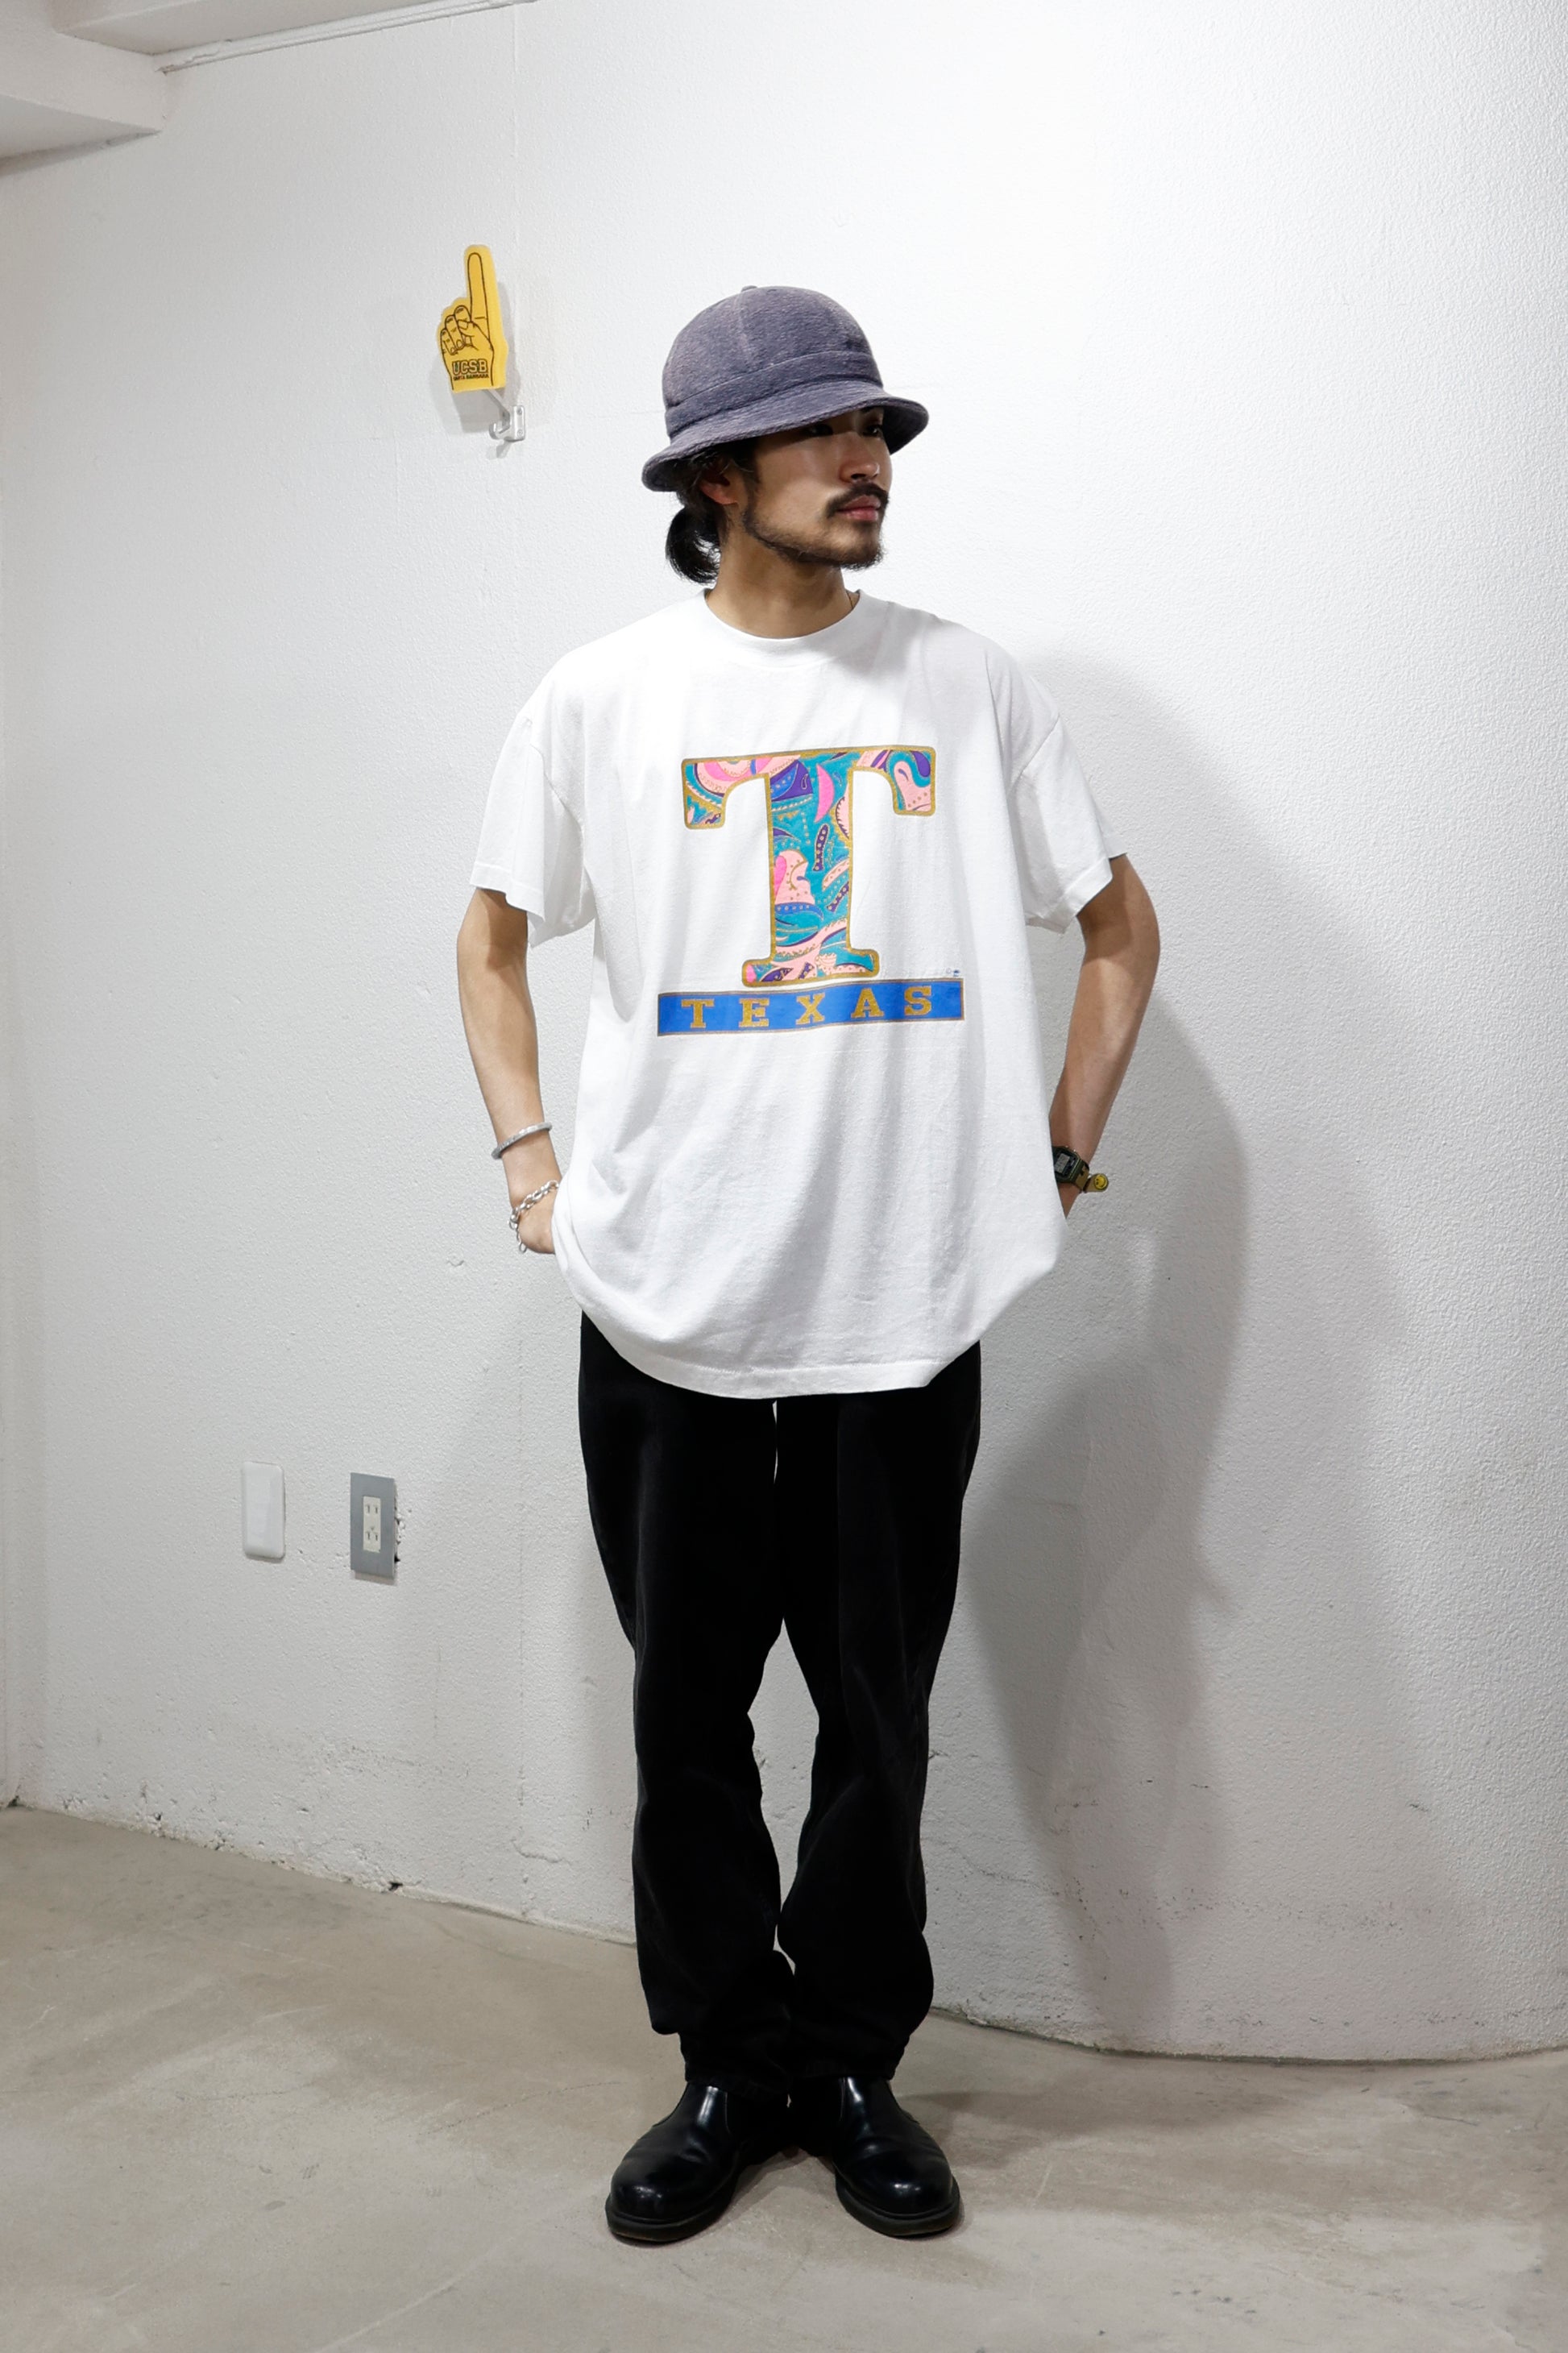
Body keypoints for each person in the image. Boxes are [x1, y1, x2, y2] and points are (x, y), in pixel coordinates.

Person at [455, 285, 1160, 2246]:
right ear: (714, 476)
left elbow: (1117, 927)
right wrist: (532, 1165)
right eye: (827, 433)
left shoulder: (965, 683)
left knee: (876, 1716)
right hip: (666, 1302)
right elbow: (492, 938)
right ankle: (723, 2062)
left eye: (879, 433)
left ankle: (849, 2062)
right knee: (684, 1718)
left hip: (898, 1303)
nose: (869, 463)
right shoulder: (602, 698)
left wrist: (1052, 1159)